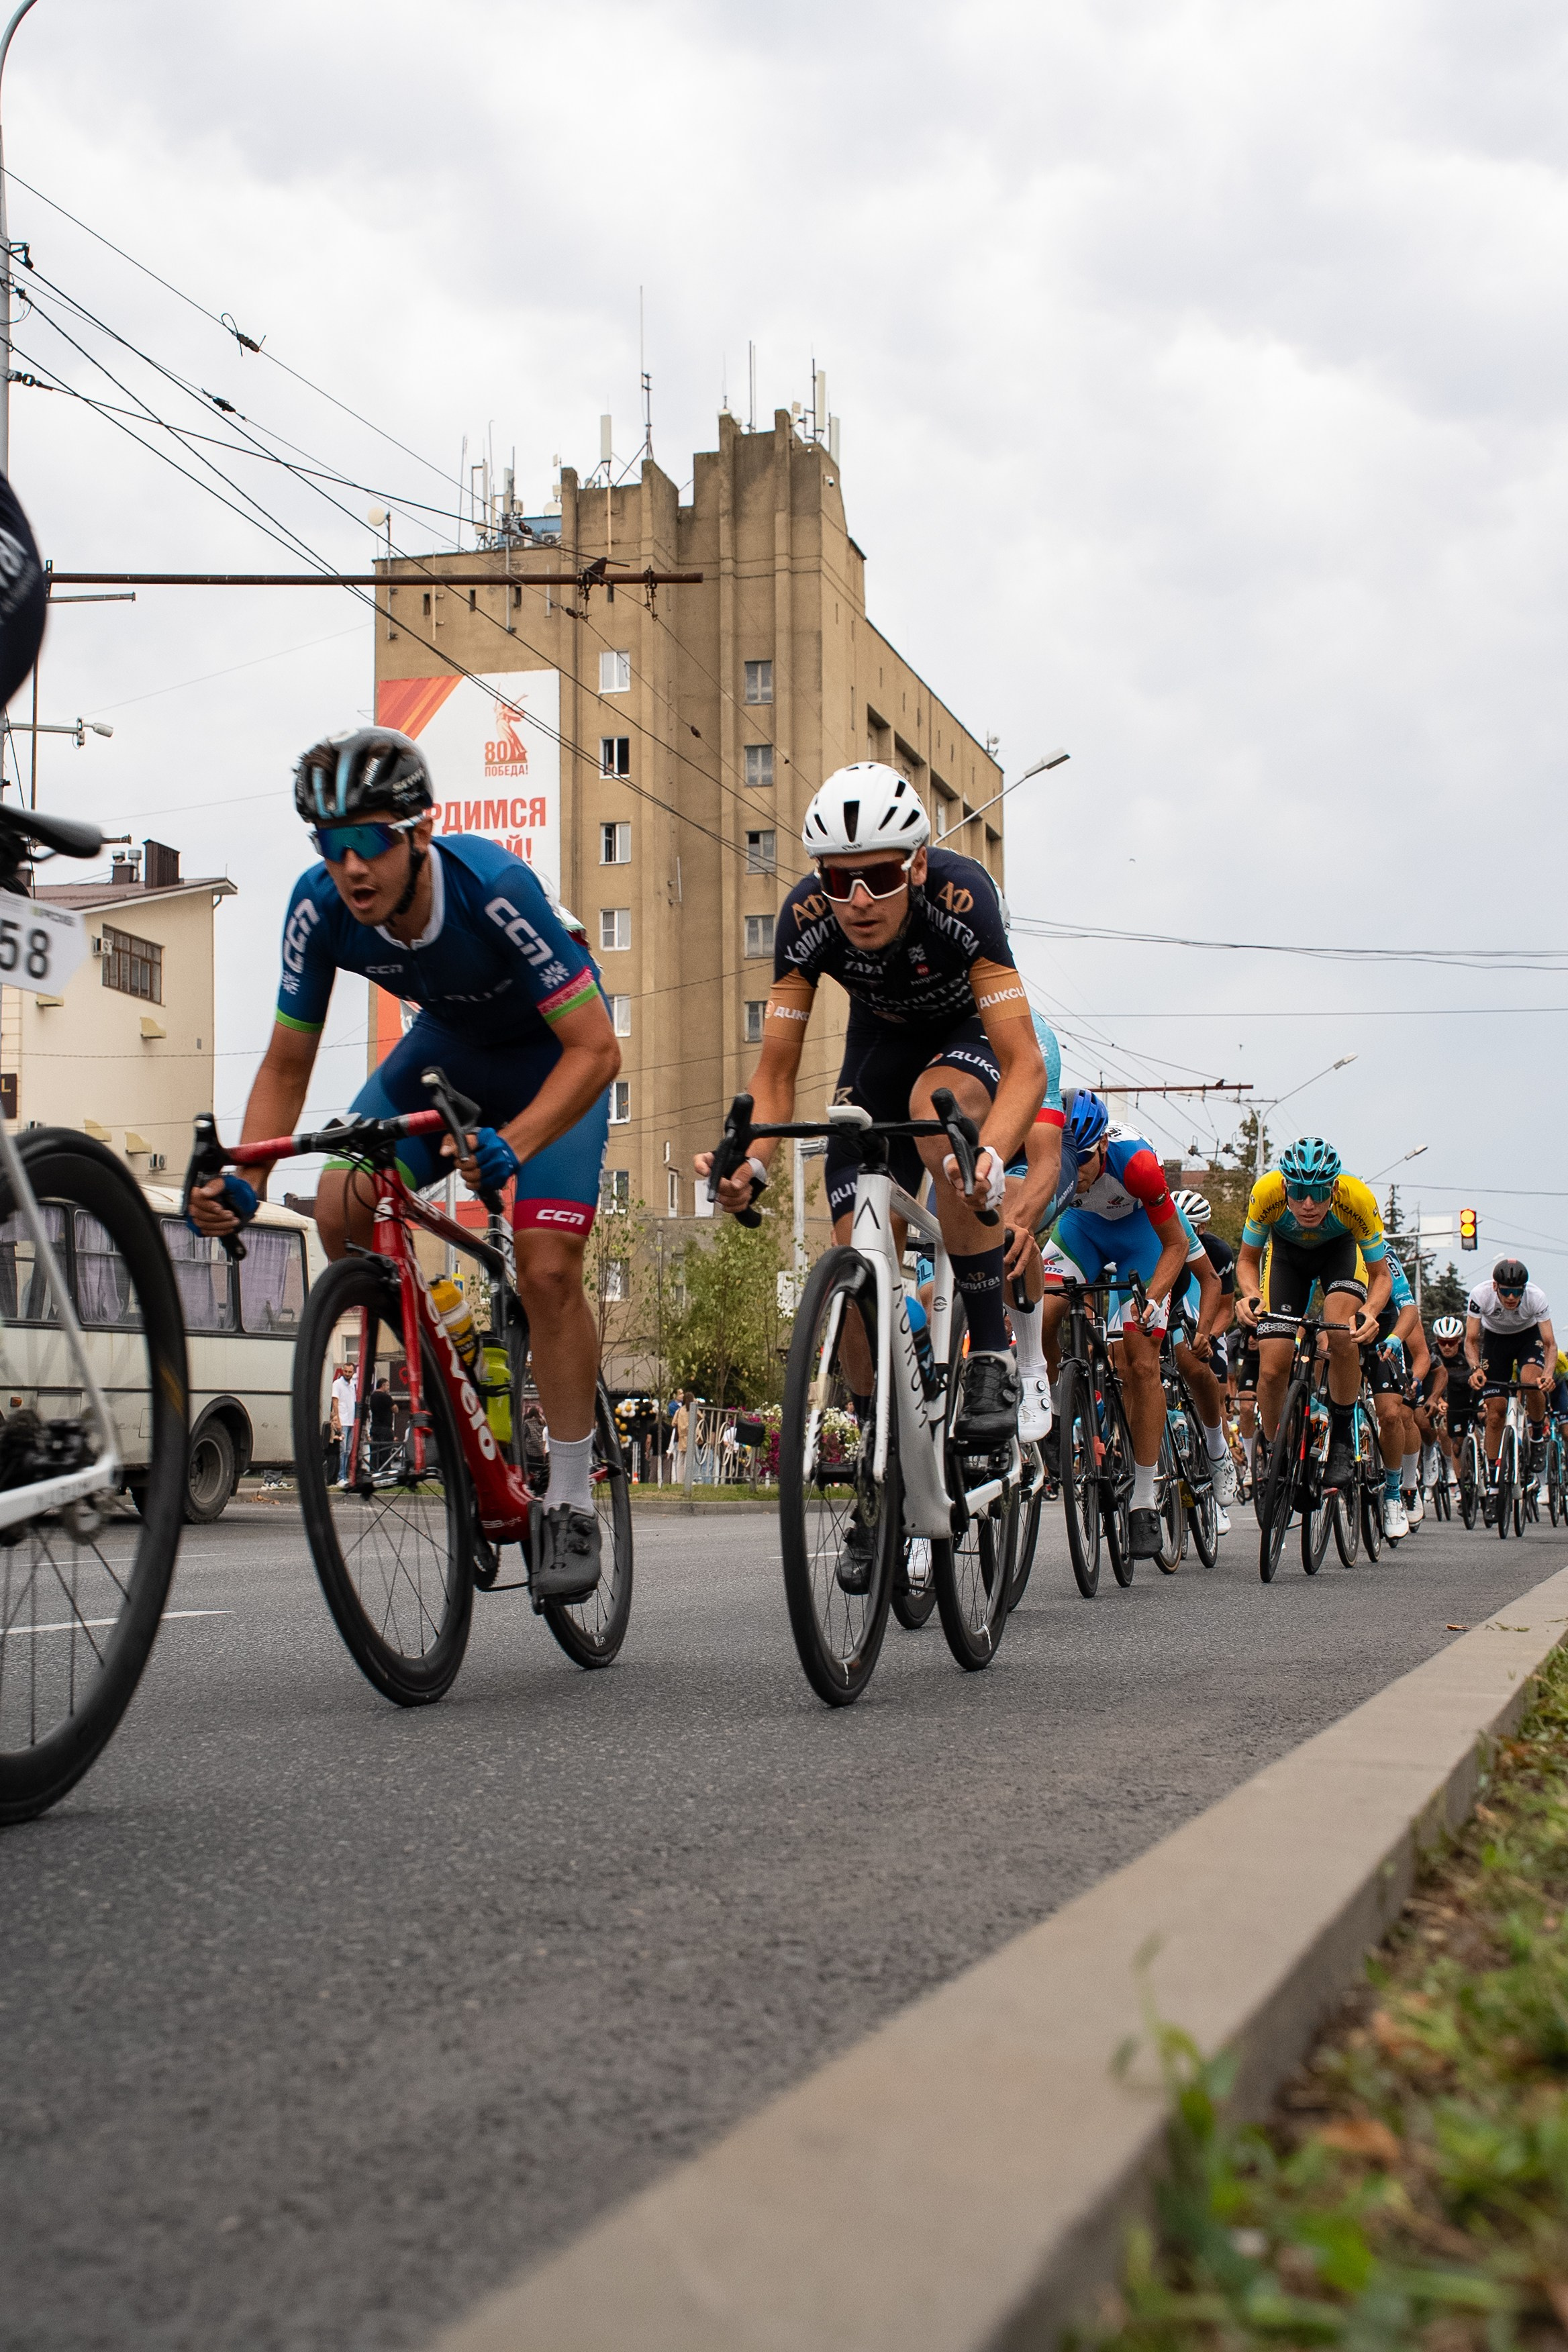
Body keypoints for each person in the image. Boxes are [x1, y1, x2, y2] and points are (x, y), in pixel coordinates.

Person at [188, 726, 621, 1602]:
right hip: (450, 1050)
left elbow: (597, 1051)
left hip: (554, 1055)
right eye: (331, 844)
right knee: (343, 1204)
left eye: (370, 840)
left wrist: (520, 1143)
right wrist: (250, 1182)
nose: (351, 867)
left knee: (545, 1266)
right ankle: (449, 1341)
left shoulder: (495, 890)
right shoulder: (319, 910)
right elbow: (284, 1065)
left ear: (419, 832)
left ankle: (570, 1501)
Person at [698, 762, 1045, 1589]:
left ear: (916, 867)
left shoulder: (964, 898)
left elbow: (1023, 1062)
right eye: (837, 879)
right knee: (852, 1240)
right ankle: (875, 1470)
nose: (856, 898)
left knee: (938, 1113)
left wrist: (990, 1153)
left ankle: (992, 1355)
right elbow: (775, 1075)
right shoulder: (804, 920)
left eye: (879, 877)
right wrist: (748, 1160)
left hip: (961, 1043)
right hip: (876, 1053)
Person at [1036, 1097, 1210, 1559]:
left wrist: (1153, 1301)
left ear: (1102, 1147)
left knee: (1140, 1360)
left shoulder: (1137, 1165)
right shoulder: (1048, 1159)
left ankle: (1143, 1501)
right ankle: (1052, 1413)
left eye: (1086, 1161)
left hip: (1142, 1239)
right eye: (1068, 1162)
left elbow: (1174, 1244)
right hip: (1081, 1229)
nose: (1079, 1172)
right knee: (1045, 1311)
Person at [1234, 1138, 1391, 1496]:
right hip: (1288, 1259)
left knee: (1340, 1330)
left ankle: (1340, 1440)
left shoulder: (1357, 1198)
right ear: (1286, 1185)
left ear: (1333, 1187)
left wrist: (1368, 1312)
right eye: (1300, 1192)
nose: (1308, 1204)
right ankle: (1278, 1453)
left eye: (1319, 1192)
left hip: (1340, 1253)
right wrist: (1251, 1297)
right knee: (1272, 1367)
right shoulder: (1267, 1192)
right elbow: (1246, 1260)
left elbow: (1381, 1276)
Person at [1167, 1188, 1238, 1520]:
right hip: (1175, 1311)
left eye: (1192, 1229)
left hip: (1208, 1321)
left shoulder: (1218, 1252)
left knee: (1216, 1392)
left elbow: (1226, 1309)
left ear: (1203, 1230)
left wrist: (1208, 1335)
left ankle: (1217, 1459)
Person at [1464, 1257, 1557, 1485]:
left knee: (1531, 1380)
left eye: (1517, 1292)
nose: (1512, 1298)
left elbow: (1550, 1343)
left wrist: (1548, 1374)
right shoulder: (1480, 1294)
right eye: (1506, 1292)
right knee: (1495, 1413)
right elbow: (1471, 1340)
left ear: (1524, 1289)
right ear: (1495, 1286)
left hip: (1528, 1338)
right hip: (1496, 1341)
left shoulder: (1537, 1297)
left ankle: (1536, 1435)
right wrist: (1476, 1369)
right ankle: (1494, 1483)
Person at [331, 1363, 358, 1485]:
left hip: (351, 1422)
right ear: (343, 1371)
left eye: (350, 1372)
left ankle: (345, 1475)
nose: (347, 1374)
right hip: (343, 1421)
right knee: (342, 1451)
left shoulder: (353, 1385)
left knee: (348, 1450)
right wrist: (338, 1420)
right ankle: (340, 1477)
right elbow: (335, 1402)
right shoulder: (337, 1384)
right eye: (346, 1371)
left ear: (353, 1372)